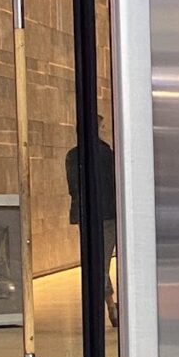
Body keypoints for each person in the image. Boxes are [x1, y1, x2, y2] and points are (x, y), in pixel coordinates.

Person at [65, 115, 118, 327]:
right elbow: (114, 184)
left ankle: (111, 307)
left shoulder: (72, 155)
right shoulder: (106, 153)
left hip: (85, 216)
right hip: (106, 216)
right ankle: (105, 310)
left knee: (96, 264)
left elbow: (73, 189)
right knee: (101, 265)